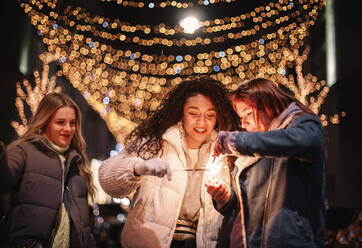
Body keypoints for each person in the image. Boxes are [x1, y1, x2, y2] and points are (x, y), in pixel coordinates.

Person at [98, 78, 240, 248]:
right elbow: (107, 180)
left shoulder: (224, 153)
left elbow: (239, 207)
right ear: (181, 114)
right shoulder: (155, 144)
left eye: (210, 115)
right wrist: (139, 168)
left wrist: (226, 199)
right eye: (194, 114)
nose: (202, 122)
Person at [207, 78, 326, 248]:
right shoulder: (254, 149)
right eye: (241, 117)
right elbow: (245, 209)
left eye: (248, 114)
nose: (243, 123)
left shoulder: (301, 126)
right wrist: (225, 199)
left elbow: (306, 142)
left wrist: (234, 141)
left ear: (268, 103)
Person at [0, 92, 97, 248]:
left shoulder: (77, 163)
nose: (68, 129)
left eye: (72, 123)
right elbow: (4, 179)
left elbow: (83, 227)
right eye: (60, 122)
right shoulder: (24, 151)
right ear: (45, 123)